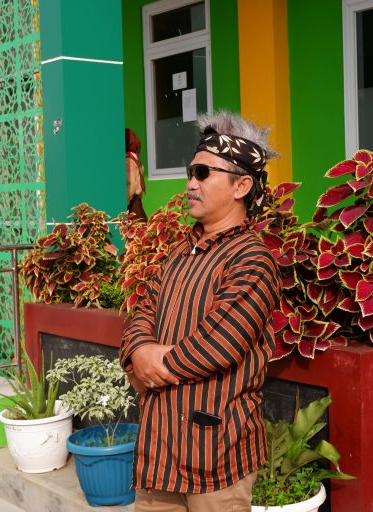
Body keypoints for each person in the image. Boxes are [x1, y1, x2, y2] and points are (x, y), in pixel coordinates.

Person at [120, 111, 282, 511]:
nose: (191, 183)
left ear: (242, 185)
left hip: (216, 457)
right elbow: (143, 312)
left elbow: (219, 343)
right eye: (191, 172)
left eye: (204, 173)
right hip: (159, 454)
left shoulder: (252, 259)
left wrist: (152, 364)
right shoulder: (179, 253)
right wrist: (138, 350)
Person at [125, 128, 148, 222]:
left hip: (132, 205)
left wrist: (124, 203)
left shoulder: (128, 161)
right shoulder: (137, 161)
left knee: (135, 228)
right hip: (137, 203)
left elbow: (130, 184)